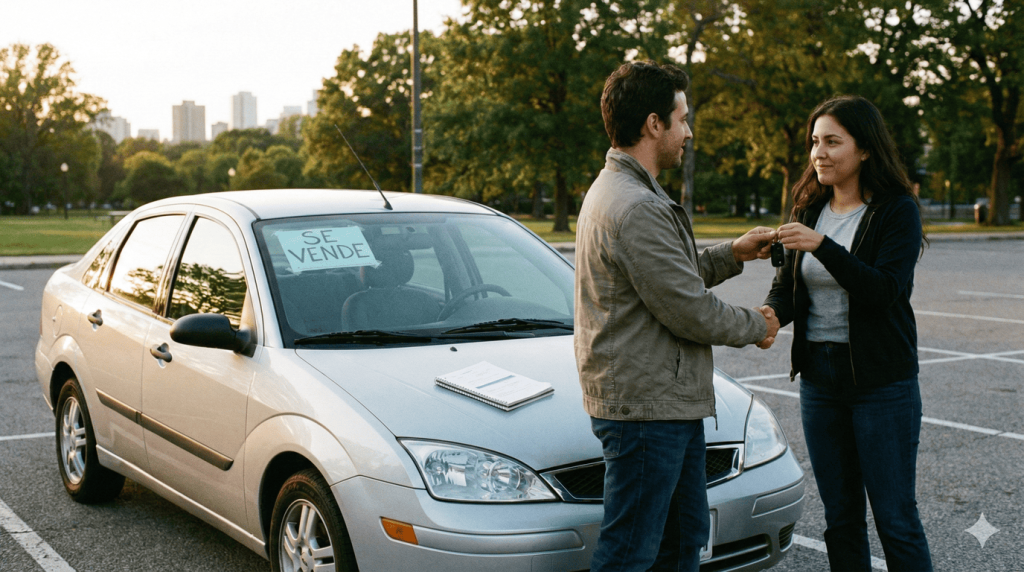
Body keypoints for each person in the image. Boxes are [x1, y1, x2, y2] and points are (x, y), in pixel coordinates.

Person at [574, 60, 780, 572]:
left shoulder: (626, 191)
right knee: (631, 552)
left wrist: (733, 252)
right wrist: (760, 326)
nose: (688, 132)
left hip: (664, 404)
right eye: (682, 118)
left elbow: (670, 278)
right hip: (647, 411)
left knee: (681, 541)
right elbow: (688, 309)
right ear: (653, 124)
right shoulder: (635, 204)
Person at [762, 95, 932, 571]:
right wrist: (768, 317)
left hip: (882, 384)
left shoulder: (896, 211)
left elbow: (884, 290)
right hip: (821, 380)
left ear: (864, 150)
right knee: (840, 519)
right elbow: (788, 290)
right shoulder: (809, 205)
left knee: (895, 519)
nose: (819, 152)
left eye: (833, 141)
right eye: (816, 141)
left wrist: (824, 246)